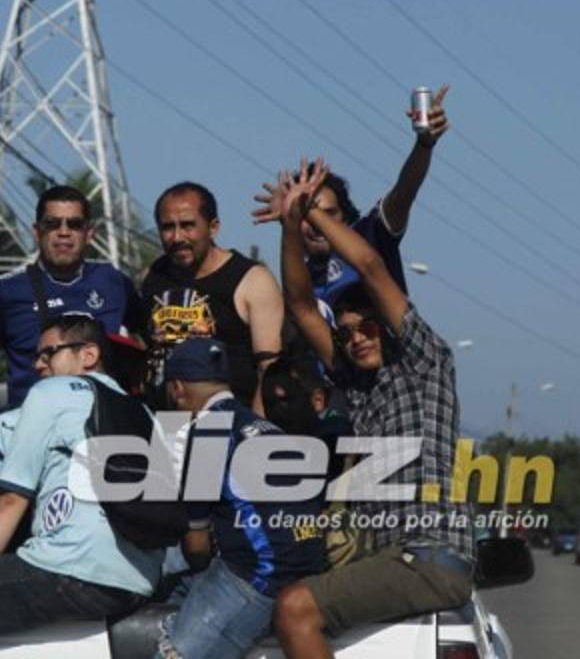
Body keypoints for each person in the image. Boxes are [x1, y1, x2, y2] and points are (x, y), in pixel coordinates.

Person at [263, 159, 474, 658]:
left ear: (389, 324)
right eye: (347, 333)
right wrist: (292, 225)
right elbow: (298, 304)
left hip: (429, 555)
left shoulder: (425, 362)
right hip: (389, 557)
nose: (357, 340)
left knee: (295, 609)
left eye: (368, 328)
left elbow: (372, 266)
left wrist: (314, 210)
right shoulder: (356, 385)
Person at [0, 313, 161, 658]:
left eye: (48, 354)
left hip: (73, 572)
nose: (38, 365)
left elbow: (9, 499)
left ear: (88, 355)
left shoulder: (52, 392)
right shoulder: (145, 413)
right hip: (138, 580)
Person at [155, 338, 324, 659]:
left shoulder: (207, 433)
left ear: (177, 388)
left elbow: (197, 545)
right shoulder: (269, 428)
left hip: (259, 578)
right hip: (307, 576)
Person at [255, 85, 452, 306]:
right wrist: (289, 218)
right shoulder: (299, 280)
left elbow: (404, 192)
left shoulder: (370, 237)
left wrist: (424, 145)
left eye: (328, 213)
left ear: (345, 217)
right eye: (307, 218)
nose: (317, 225)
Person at [0, 184, 144, 408]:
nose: (64, 232)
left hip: (102, 424)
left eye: (74, 224)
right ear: (37, 232)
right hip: (33, 425)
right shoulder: (8, 290)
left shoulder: (113, 281)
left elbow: (146, 336)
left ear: (89, 233)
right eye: (52, 224)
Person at [143, 181, 284, 412]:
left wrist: (255, 432)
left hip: (229, 419)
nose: (177, 237)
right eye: (168, 227)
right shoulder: (154, 276)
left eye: (188, 225)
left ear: (213, 227)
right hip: (166, 423)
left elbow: (269, 369)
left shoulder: (251, 280)